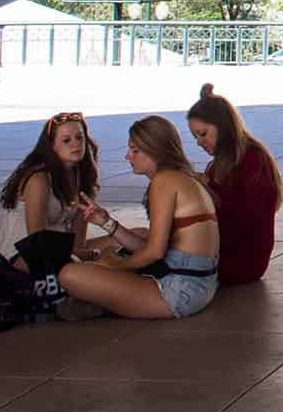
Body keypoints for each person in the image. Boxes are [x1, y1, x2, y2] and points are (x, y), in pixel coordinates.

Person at [58, 118, 221, 320]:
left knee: (69, 274)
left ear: (154, 150)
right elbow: (154, 247)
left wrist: (112, 266)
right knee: (106, 255)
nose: (128, 156)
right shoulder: (179, 177)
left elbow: (154, 252)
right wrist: (106, 222)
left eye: (135, 150)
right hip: (198, 287)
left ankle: (104, 304)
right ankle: (105, 303)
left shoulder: (164, 181)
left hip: (178, 292)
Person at [187, 83, 283, 286]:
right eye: (195, 136)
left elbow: (243, 221)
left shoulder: (253, 161)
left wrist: (205, 189)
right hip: (223, 251)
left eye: (203, 134)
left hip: (241, 261)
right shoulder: (219, 164)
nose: (199, 142)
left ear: (222, 126)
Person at [0, 110, 99, 272]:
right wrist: (95, 256)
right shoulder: (39, 179)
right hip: (23, 256)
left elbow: (78, 243)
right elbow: (38, 242)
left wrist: (92, 254)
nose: (76, 144)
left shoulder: (83, 177)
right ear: (51, 146)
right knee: (101, 261)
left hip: (62, 253)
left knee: (138, 235)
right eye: (67, 140)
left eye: (80, 137)